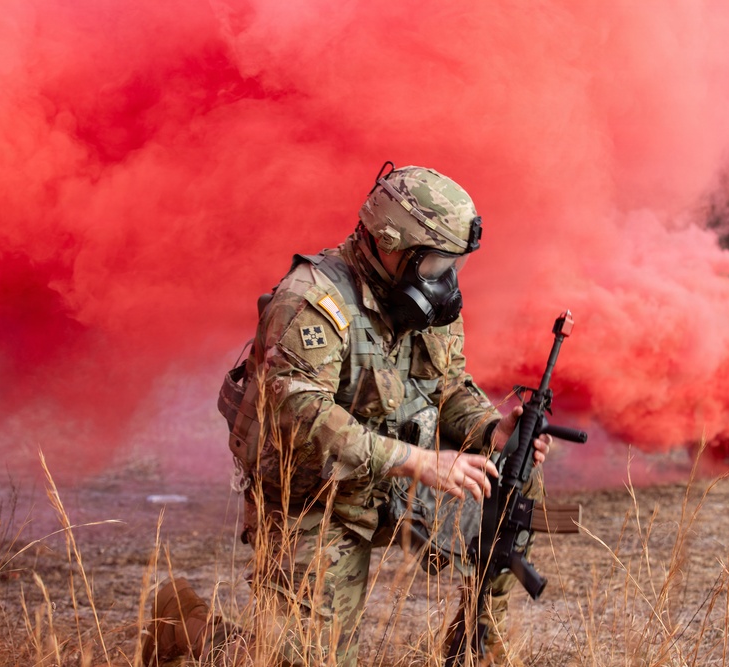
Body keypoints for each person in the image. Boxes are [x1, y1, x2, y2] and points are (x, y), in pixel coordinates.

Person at [142, 163, 552, 666]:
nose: (446, 280)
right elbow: (303, 415)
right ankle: (183, 623)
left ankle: (480, 642)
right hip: (314, 496)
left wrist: (490, 428)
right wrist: (417, 461)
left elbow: (447, 385)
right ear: (391, 243)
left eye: (454, 265)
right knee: (299, 660)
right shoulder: (310, 301)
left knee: (512, 472)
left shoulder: (424, 303)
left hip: (395, 478)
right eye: (436, 264)